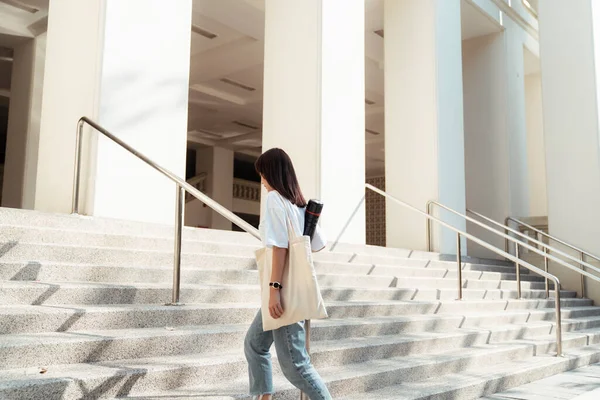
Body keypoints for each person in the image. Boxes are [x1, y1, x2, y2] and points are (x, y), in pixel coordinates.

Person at [244, 148, 332, 400]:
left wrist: (274, 291)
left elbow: (280, 248)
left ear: (270, 172)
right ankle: (263, 396)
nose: (261, 180)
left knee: (296, 366)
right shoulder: (298, 203)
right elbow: (318, 244)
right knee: (255, 345)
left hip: (282, 290)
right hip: (285, 287)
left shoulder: (274, 199)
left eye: (262, 173)